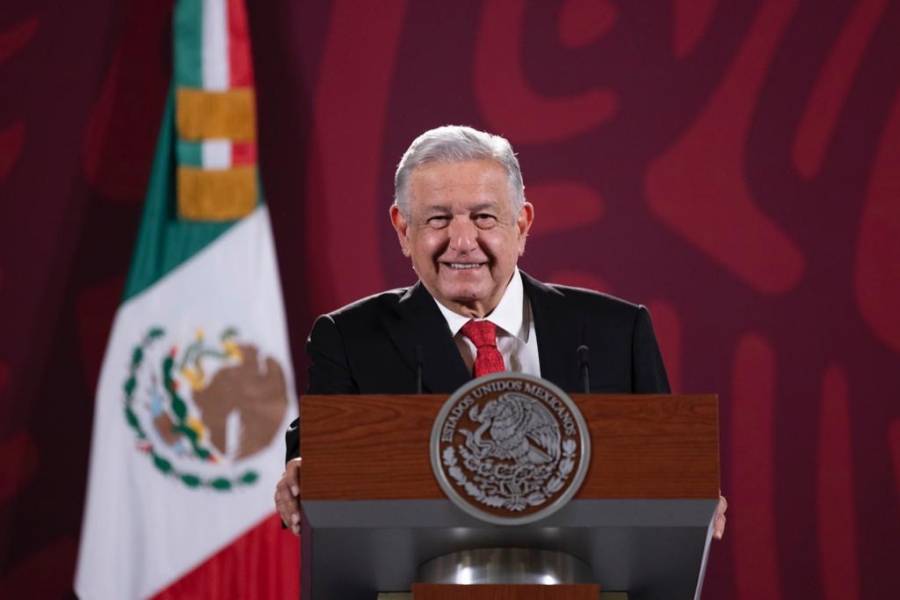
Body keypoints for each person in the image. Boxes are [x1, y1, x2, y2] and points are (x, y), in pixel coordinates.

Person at [274, 125, 726, 538]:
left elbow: (665, 465)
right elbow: (316, 453)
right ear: (403, 229)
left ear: (522, 224)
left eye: (484, 217)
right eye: (437, 219)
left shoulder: (616, 332)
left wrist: (688, 492)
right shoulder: (350, 339)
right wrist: (303, 471)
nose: (463, 241)